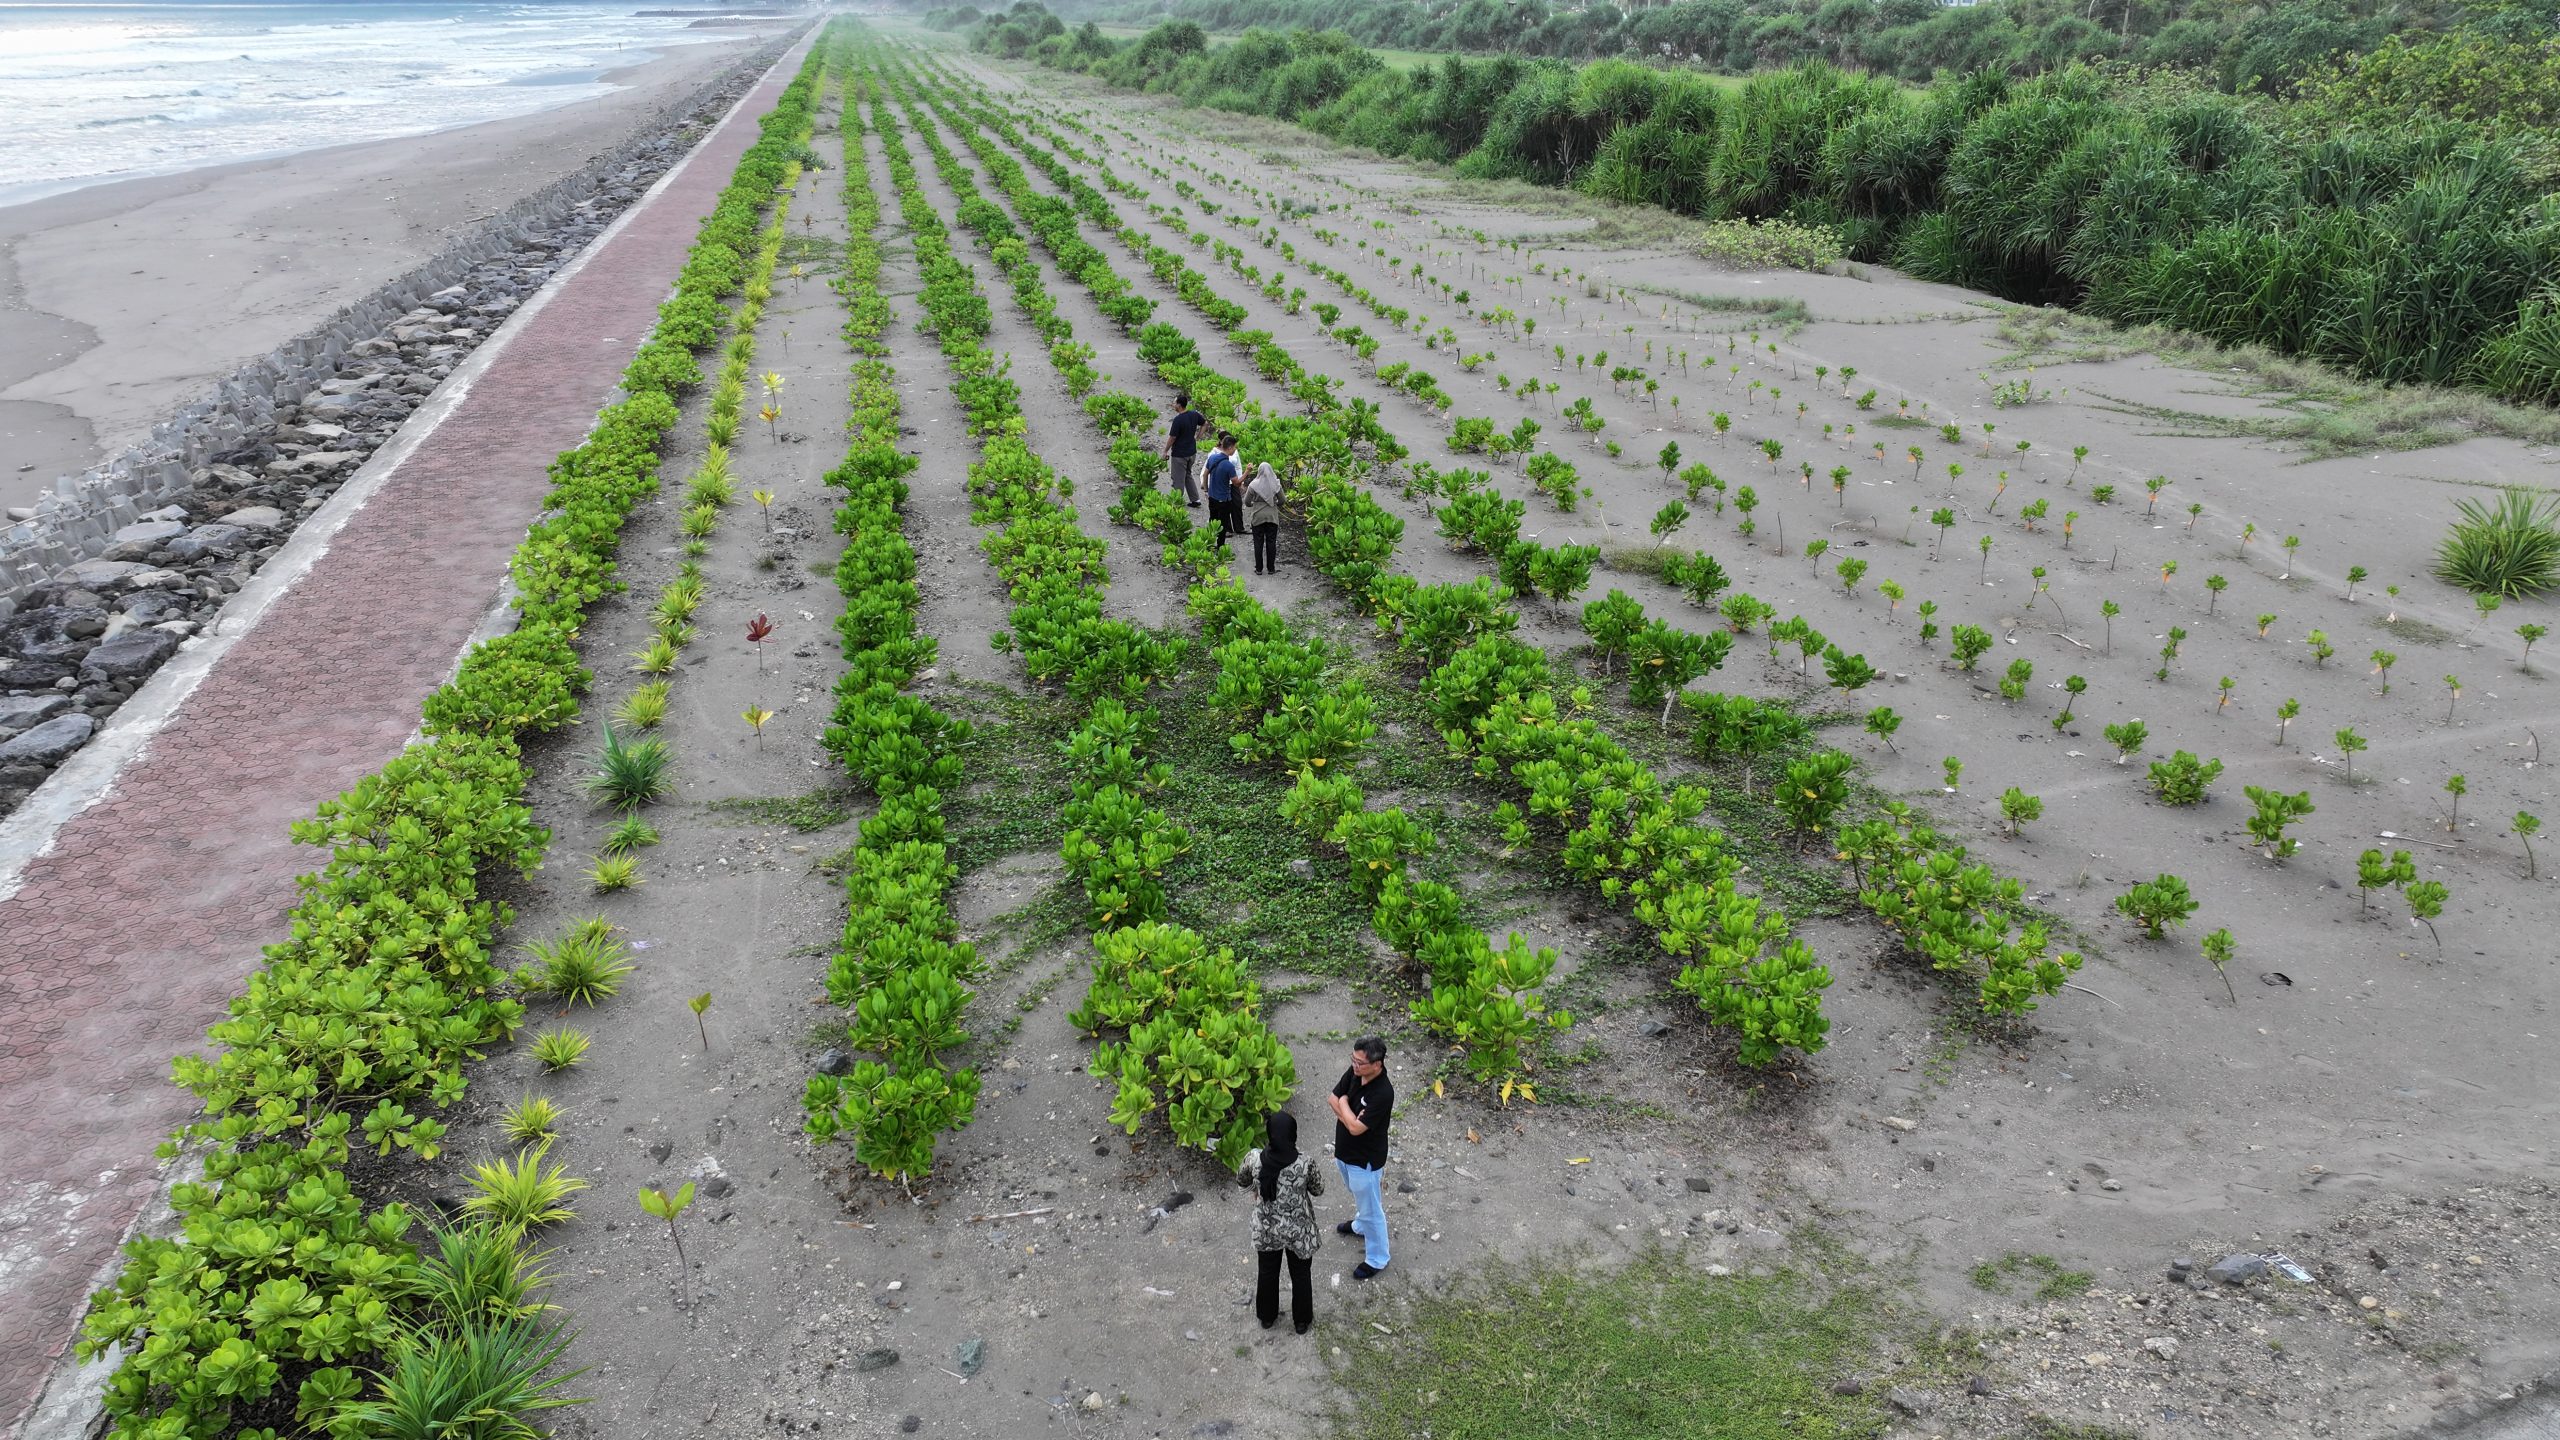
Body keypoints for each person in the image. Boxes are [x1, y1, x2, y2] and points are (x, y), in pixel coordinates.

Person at [1237, 1109, 1323, 1333]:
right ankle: (1301, 1321)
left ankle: (1267, 1317)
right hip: (1298, 1230)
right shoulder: (1305, 1163)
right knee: (1301, 1274)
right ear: (1293, 1134)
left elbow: (1242, 1179)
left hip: (1267, 1228)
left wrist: (1256, 1189)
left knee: (1267, 1271)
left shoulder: (1254, 1158)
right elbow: (1318, 1189)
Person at [1328, 1036, 1393, 1279]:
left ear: (1377, 1064)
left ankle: (1377, 1258)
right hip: (1345, 1153)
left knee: (1371, 1209)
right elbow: (1332, 1099)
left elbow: (1356, 1128)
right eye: (1353, 1059)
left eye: (1360, 1063)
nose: (1354, 1065)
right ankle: (1361, 1226)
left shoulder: (1382, 1093)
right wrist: (1349, 1115)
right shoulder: (1356, 1071)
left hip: (1365, 1161)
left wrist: (1344, 1104)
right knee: (1359, 1196)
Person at [1163, 393, 1207, 506]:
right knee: (1188, 474)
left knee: (1178, 479)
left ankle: (1177, 503)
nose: (1173, 405)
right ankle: (1195, 499)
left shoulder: (1178, 420)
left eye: (1174, 403)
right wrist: (1198, 437)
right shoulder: (1194, 414)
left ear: (1179, 405)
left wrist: (1165, 451)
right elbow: (1204, 424)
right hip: (1191, 452)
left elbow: (1172, 437)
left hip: (1180, 454)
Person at [1242, 461, 1284, 574]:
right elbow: (1282, 500)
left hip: (1257, 517)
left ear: (1259, 471)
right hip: (1272, 516)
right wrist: (1275, 504)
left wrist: (1253, 504)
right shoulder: (1276, 484)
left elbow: (1246, 502)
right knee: (1271, 542)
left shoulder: (1253, 485)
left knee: (1258, 542)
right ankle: (1271, 568)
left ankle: (1259, 569)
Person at [1202, 432, 1245, 541]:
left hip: (1213, 496)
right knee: (1223, 523)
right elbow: (1236, 483)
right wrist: (1247, 472)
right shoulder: (1228, 465)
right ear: (1229, 447)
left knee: (1213, 520)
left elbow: (1205, 474)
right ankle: (1220, 545)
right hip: (1223, 498)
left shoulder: (1213, 458)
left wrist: (1206, 490)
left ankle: (1209, 543)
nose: (1235, 449)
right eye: (1234, 447)